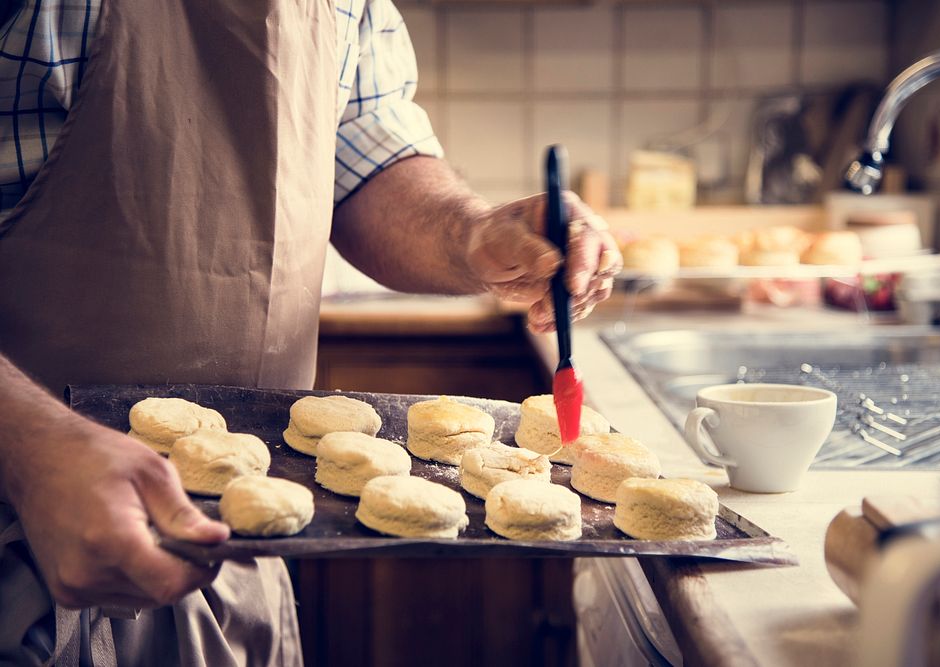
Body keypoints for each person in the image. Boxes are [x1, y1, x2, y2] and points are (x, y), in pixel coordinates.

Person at [0, 0, 621, 664]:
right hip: (22, 554)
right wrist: (29, 446)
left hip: (241, 549)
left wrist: (469, 232)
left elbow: (363, 151)